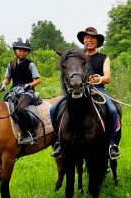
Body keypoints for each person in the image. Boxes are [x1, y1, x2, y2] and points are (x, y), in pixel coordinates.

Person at [50, 27, 122, 159]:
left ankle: (111, 144)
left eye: (93, 38)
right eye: (87, 38)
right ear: (83, 40)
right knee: (54, 108)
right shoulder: (77, 57)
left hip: (97, 89)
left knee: (112, 110)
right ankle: (60, 141)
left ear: (97, 41)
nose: (90, 40)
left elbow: (108, 77)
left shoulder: (103, 57)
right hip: (76, 90)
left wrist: (97, 79)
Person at [0, 37, 41, 145]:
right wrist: (3, 85)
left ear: (28, 52)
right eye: (20, 50)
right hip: (14, 92)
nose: (22, 52)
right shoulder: (11, 64)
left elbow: (38, 80)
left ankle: (32, 134)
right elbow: (7, 79)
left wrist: (28, 85)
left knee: (21, 108)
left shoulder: (30, 64)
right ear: (15, 50)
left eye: (25, 50)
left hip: (27, 92)